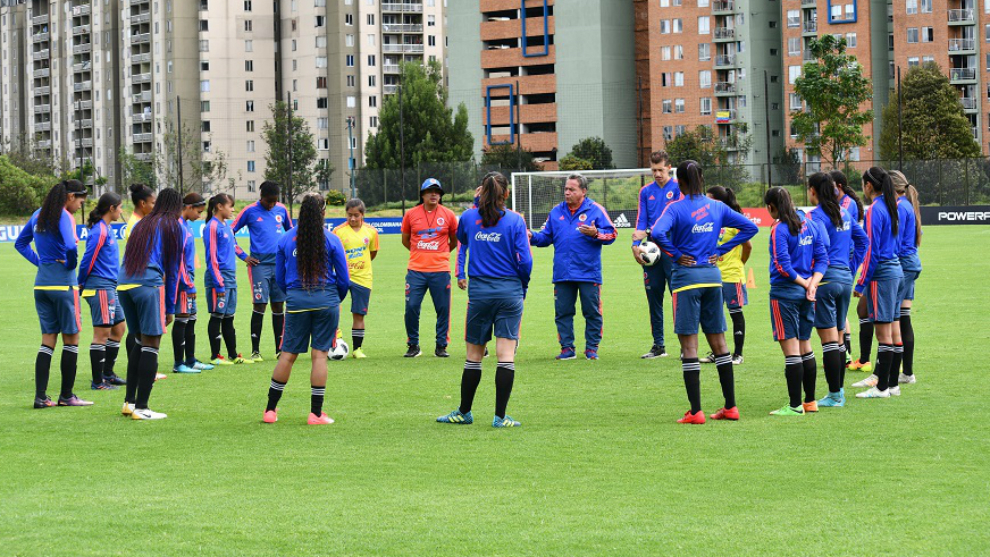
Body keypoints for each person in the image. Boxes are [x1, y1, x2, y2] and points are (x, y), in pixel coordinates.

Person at [651, 161, 757, 424]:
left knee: (690, 346)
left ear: (681, 182)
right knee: (720, 343)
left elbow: (656, 233)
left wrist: (676, 254)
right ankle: (730, 407)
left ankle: (696, 411)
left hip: (686, 281)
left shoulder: (675, 208)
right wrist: (720, 251)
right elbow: (750, 228)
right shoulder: (718, 207)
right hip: (713, 279)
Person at [439, 172, 532, 428]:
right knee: (505, 356)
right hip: (509, 292)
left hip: (479, 293)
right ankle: (500, 417)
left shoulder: (469, 217)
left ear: (481, 192)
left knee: (473, 356)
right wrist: (522, 286)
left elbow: (464, 240)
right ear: (507, 194)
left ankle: (464, 412)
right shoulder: (515, 221)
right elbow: (526, 261)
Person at [264, 193, 349, 425]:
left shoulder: (285, 240)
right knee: (319, 355)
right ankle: (316, 414)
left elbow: (280, 279)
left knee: (288, 355)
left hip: (296, 303)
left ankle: (270, 411)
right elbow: (344, 279)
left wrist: (293, 296)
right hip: (326, 301)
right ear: (322, 212)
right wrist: (334, 299)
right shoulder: (332, 239)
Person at [15, 180, 92, 408]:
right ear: (70, 196)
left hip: (41, 286)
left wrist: (41, 263)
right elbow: (70, 246)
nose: (80, 205)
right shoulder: (64, 215)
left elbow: (20, 244)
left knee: (48, 340)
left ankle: (41, 397)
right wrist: (70, 264)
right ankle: (67, 396)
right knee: (72, 339)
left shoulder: (38, 214)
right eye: (80, 200)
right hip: (64, 285)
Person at [530, 173, 617, 360]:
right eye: (566, 189)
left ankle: (592, 348)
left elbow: (612, 234)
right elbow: (546, 237)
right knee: (563, 312)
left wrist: (596, 233)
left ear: (583, 191)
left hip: (588, 272)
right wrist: (531, 236)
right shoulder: (556, 212)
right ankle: (567, 349)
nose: (567, 192)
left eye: (572, 189)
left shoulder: (595, 210)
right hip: (563, 273)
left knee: (592, 312)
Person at [117, 188, 186, 420]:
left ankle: (130, 402)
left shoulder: (144, 222)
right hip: (147, 284)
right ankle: (143, 408)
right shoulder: (173, 225)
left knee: (138, 340)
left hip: (124, 284)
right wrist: (171, 306)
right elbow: (174, 269)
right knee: (151, 342)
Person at [764, 186, 829, 416]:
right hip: (807, 295)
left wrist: (805, 284)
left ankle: (794, 406)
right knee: (805, 346)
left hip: (785, 295)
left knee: (792, 351)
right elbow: (822, 259)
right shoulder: (809, 224)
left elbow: (783, 266)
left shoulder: (779, 229)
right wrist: (813, 284)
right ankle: (810, 402)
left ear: (771, 207)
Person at [805, 173, 868, 408]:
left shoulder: (815, 217)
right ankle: (838, 392)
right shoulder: (845, 213)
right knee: (839, 337)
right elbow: (863, 242)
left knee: (828, 339)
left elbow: (818, 248)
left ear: (813, 191)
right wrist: (851, 268)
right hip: (844, 279)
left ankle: (834, 395)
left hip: (825, 281)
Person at [851, 167, 905, 399]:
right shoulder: (892, 206)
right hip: (896, 272)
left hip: (882, 275)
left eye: (863, 184)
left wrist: (861, 283)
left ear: (869, 186)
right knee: (892, 332)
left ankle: (882, 388)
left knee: (883, 335)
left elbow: (871, 250)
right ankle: (892, 384)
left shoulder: (875, 209)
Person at [231, 181, 293, 362]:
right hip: (259, 266)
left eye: (274, 201)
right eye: (268, 201)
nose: (271, 204)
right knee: (260, 305)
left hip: (280, 266)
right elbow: (229, 231)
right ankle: (255, 351)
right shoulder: (249, 211)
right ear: (261, 197)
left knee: (278, 305)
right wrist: (243, 255)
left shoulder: (282, 209)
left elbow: (291, 232)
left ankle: (279, 349)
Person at [401, 178, 459, 358]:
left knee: (443, 309)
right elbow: (405, 239)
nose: (434, 194)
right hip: (416, 270)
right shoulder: (411, 214)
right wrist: (420, 252)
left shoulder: (448, 215)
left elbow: (454, 240)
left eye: (437, 191)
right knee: (411, 308)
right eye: (430, 191)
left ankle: (441, 345)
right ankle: (413, 345)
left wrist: (439, 253)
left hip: (440, 270)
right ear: (422, 194)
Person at [631, 151, 682, 358]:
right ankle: (658, 345)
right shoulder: (646, 191)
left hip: (673, 250)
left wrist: (650, 232)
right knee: (654, 298)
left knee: (678, 298)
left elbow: (679, 218)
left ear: (669, 167)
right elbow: (641, 219)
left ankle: (685, 346)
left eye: (660, 169)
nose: (657, 174)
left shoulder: (679, 188)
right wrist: (636, 244)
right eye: (653, 170)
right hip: (651, 252)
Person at [78, 192, 129, 391]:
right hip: (99, 286)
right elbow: (87, 259)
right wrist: (81, 283)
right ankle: (98, 382)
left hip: (110, 286)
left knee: (119, 328)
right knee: (102, 333)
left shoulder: (106, 228)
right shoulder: (99, 231)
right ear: (111, 208)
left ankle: (108, 373)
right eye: (120, 207)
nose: (122, 211)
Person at [702, 186, 751, 365]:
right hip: (714, 275)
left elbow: (748, 246)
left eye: (709, 199)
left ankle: (738, 354)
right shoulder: (712, 220)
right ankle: (719, 353)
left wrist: (739, 263)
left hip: (732, 276)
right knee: (715, 314)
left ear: (719, 202)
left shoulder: (733, 220)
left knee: (735, 313)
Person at [203, 193, 251, 365]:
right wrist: (218, 282)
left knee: (229, 316)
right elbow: (212, 257)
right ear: (219, 207)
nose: (233, 209)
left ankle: (233, 354)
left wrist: (246, 257)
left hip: (231, 277)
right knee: (217, 315)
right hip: (219, 277)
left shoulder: (227, 226)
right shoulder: (212, 227)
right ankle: (215, 356)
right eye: (230, 206)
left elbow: (234, 245)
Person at [832, 170, 872, 372]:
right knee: (841, 309)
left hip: (844, 260)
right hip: (843, 260)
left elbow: (853, 236)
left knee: (840, 309)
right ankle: (844, 353)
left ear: (838, 186)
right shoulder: (844, 203)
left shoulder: (846, 206)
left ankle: (844, 353)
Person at [172, 193, 214, 373]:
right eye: (198, 211)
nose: (200, 216)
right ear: (188, 207)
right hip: (182, 282)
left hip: (188, 279)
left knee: (191, 319)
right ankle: (179, 363)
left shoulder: (187, 226)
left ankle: (190, 359)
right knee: (182, 319)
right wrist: (188, 284)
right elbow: (177, 259)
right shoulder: (178, 226)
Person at [332, 198, 379, 359]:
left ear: (362, 214)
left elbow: (372, 253)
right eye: (349, 215)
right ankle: (335, 338)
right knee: (333, 307)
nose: (352, 219)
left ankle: (357, 349)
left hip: (363, 278)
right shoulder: (338, 232)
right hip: (341, 277)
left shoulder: (371, 232)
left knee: (359, 314)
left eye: (356, 215)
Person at [890, 170, 922, 386]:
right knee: (903, 317)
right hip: (911, 263)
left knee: (892, 319)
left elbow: (897, 241)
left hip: (903, 264)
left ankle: (886, 374)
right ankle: (907, 373)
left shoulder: (900, 207)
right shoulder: (908, 205)